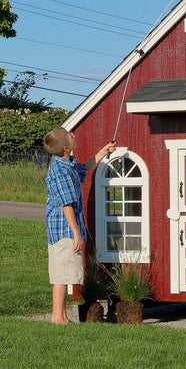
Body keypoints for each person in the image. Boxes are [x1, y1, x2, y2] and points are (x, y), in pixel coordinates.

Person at [43, 127, 114, 324]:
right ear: (66, 147)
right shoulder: (60, 171)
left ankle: (62, 316)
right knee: (61, 275)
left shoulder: (68, 164)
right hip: (64, 229)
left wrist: (103, 152)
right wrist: (76, 233)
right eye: (70, 135)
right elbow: (67, 205)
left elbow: (85, 167)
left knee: (64, 274)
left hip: (66, 229)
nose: (74, 135)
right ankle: (58, 317)